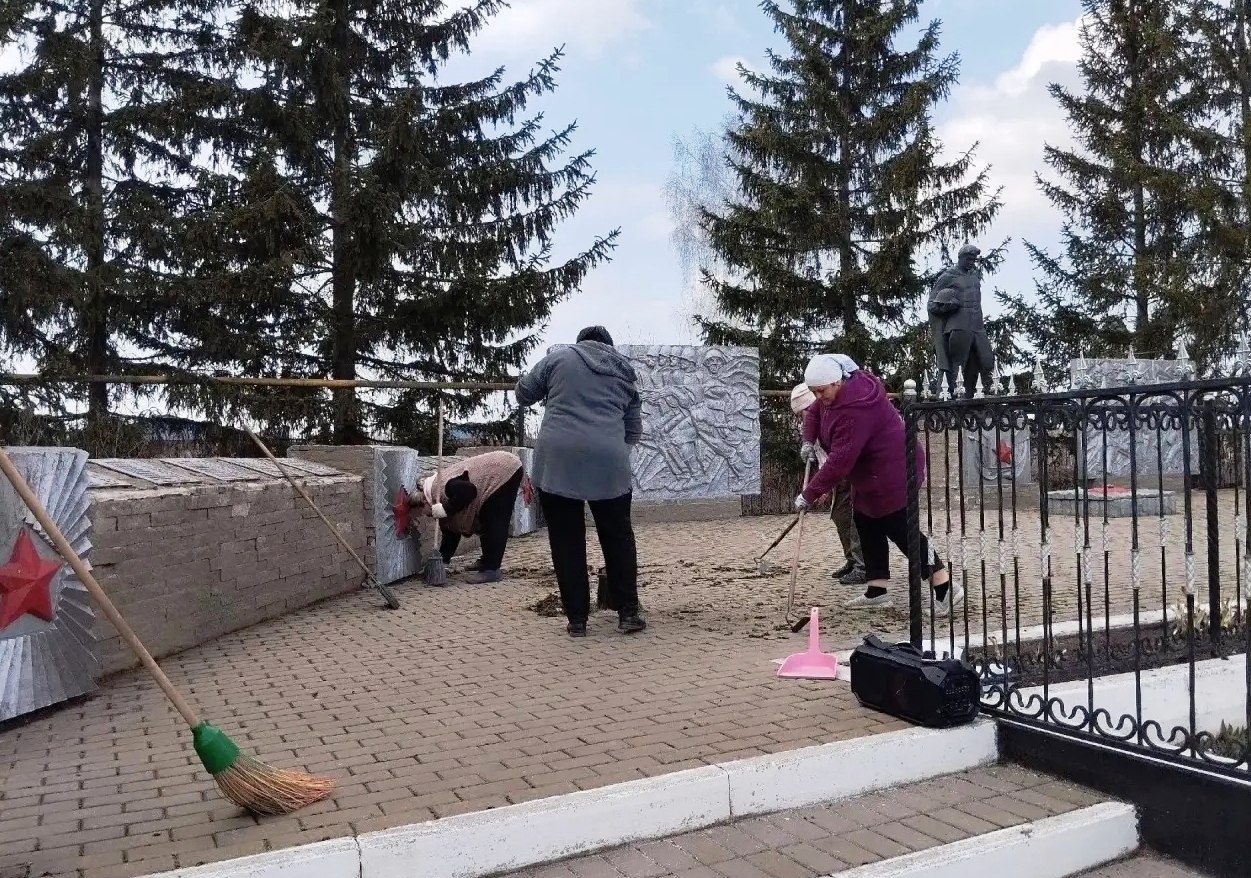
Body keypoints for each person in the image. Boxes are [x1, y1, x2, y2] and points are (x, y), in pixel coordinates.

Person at [795, 354, 963, 612]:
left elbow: (840, 462)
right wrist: (808, 440)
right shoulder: (833, 394)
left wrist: (809, 494)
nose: (818, 397)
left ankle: (945, 587)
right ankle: (877, 591)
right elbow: (816, 413)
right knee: (866, 523)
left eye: (821, 391)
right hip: (869, 475)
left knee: (903, 531)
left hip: (894, 471)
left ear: (837, 382)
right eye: (814, 392)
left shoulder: (855, 408)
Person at [515, 325, 646, 637]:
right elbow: (633, 431)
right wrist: (610, 444)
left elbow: (524, 394)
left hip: (558, 461)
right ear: (609, 347)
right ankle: (628, 613)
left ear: (580, 343)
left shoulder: (558, 360)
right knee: (618, 537)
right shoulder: (625, 374)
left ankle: (577, 620)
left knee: (566, 539)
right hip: (608, 462)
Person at [408, 450, 525, 584]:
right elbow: (451, 532)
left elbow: (469, 491)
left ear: (423, 502)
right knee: (486, 519)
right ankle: (487, 561)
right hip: (500, 470)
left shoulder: (443, 487)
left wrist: (446, 509)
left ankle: (491, 569)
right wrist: (442, 561)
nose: (426, 516)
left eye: (422, 512)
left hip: (502, 472)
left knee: (493, 520)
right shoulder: (438, 497)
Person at [790, 381, 866, 585]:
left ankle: (863, 566)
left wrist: (813, 492)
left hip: (857, 471)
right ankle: (852, 560)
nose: (805, 416)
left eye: (806, 410)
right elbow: (824, 459)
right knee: (840, 515)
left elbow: (838, 458)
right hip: (840, 475)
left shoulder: (835, 418)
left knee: (856, 519)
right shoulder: (810, 427)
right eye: (801, 413)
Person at [927, 243, 996, 398]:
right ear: (961, 257)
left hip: (977, 324)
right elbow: (931, 304)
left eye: (973, 259)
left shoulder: (974, 277)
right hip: (958, 324)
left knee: (986, 360)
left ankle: (980, 393)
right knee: (958, 363)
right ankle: (952, 396)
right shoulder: (948, 276)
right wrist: (947, 307)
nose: (971, 262)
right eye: (969, 259)